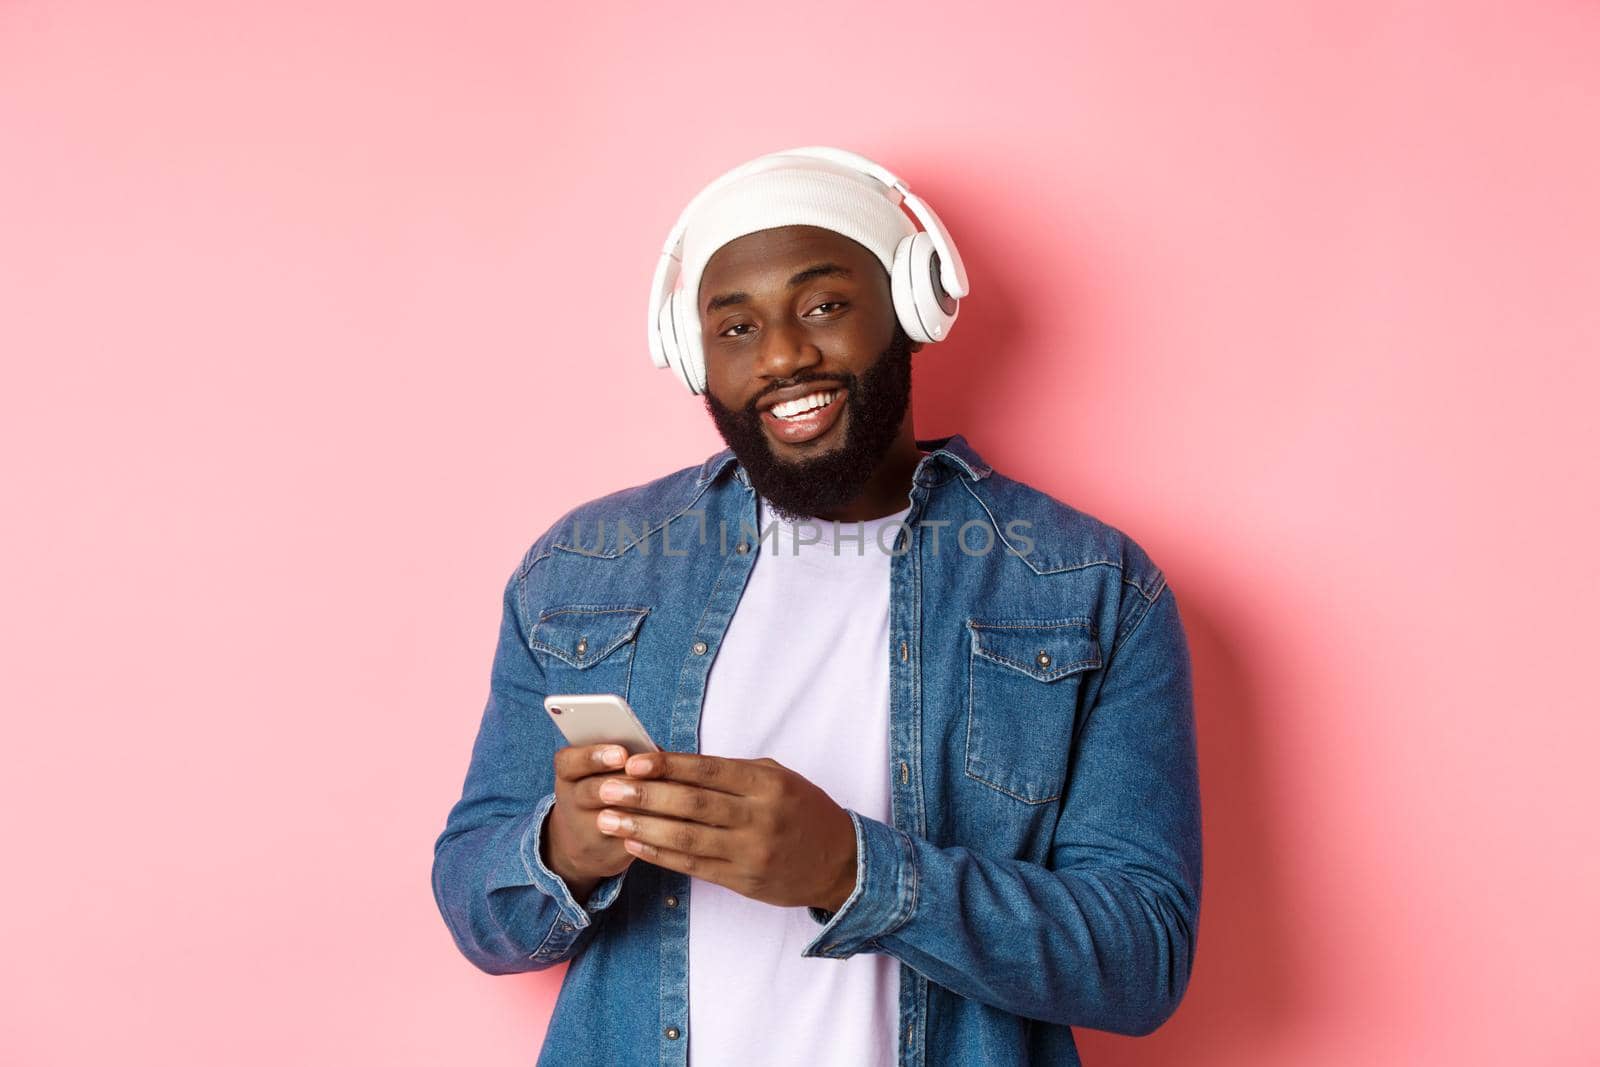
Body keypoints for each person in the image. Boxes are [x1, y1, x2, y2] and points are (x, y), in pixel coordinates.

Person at [431, 147, 1202, 1067]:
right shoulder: (584, 570)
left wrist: (852, 868)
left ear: (912, 310)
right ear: (693, 357)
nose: (785, 355)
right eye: (736, 328)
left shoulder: (1087, 584)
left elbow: (1142, 959)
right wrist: (564, 848)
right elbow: (478, 911)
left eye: (824, 306)